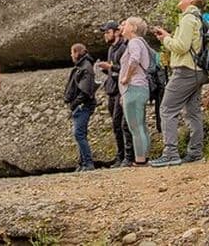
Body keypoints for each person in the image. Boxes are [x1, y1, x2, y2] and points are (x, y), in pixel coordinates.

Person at [150, 0, 209, 167]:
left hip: (185, 71)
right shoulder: (197, 18)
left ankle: (170, 153)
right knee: (193, 112)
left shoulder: (187, 18)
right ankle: (195, 152)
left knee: (167, 109)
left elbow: (181, 47)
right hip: (197, 71)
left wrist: (166, 41)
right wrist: (168, 36)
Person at [94, 20, 135, 167]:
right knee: (116, 125)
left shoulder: (124, 48)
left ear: (117, 32)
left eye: (108, 32)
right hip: (112, 90)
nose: (105, 35)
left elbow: (125, 68)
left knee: (123, 124)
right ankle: (121, 155)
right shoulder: (111, 49)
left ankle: (129, 156)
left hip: (121, 90)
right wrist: (105, 68)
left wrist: (110, 66)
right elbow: (113, 69)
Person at [118, 17, 151, 166]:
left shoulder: (134, 42)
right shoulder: (141, 43)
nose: (122, 27)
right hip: (140, 88)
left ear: (133, 28)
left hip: (134, 88)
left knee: (135, 127)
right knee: (141, 125)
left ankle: (140, 160)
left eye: (125, 24)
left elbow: (134, 59)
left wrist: (126, 77)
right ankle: (144, 156)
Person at [64, 43, 97, 172]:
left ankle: (88, 163)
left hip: (83, 105)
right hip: (79, 105)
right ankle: (82, 163)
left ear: (77, 53)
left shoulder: (86, 67)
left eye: (72, 52)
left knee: (79, 134)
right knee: (79, 134)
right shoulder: (81, 67)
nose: (71, 55)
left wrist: (74, 104)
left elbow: (85, 91)